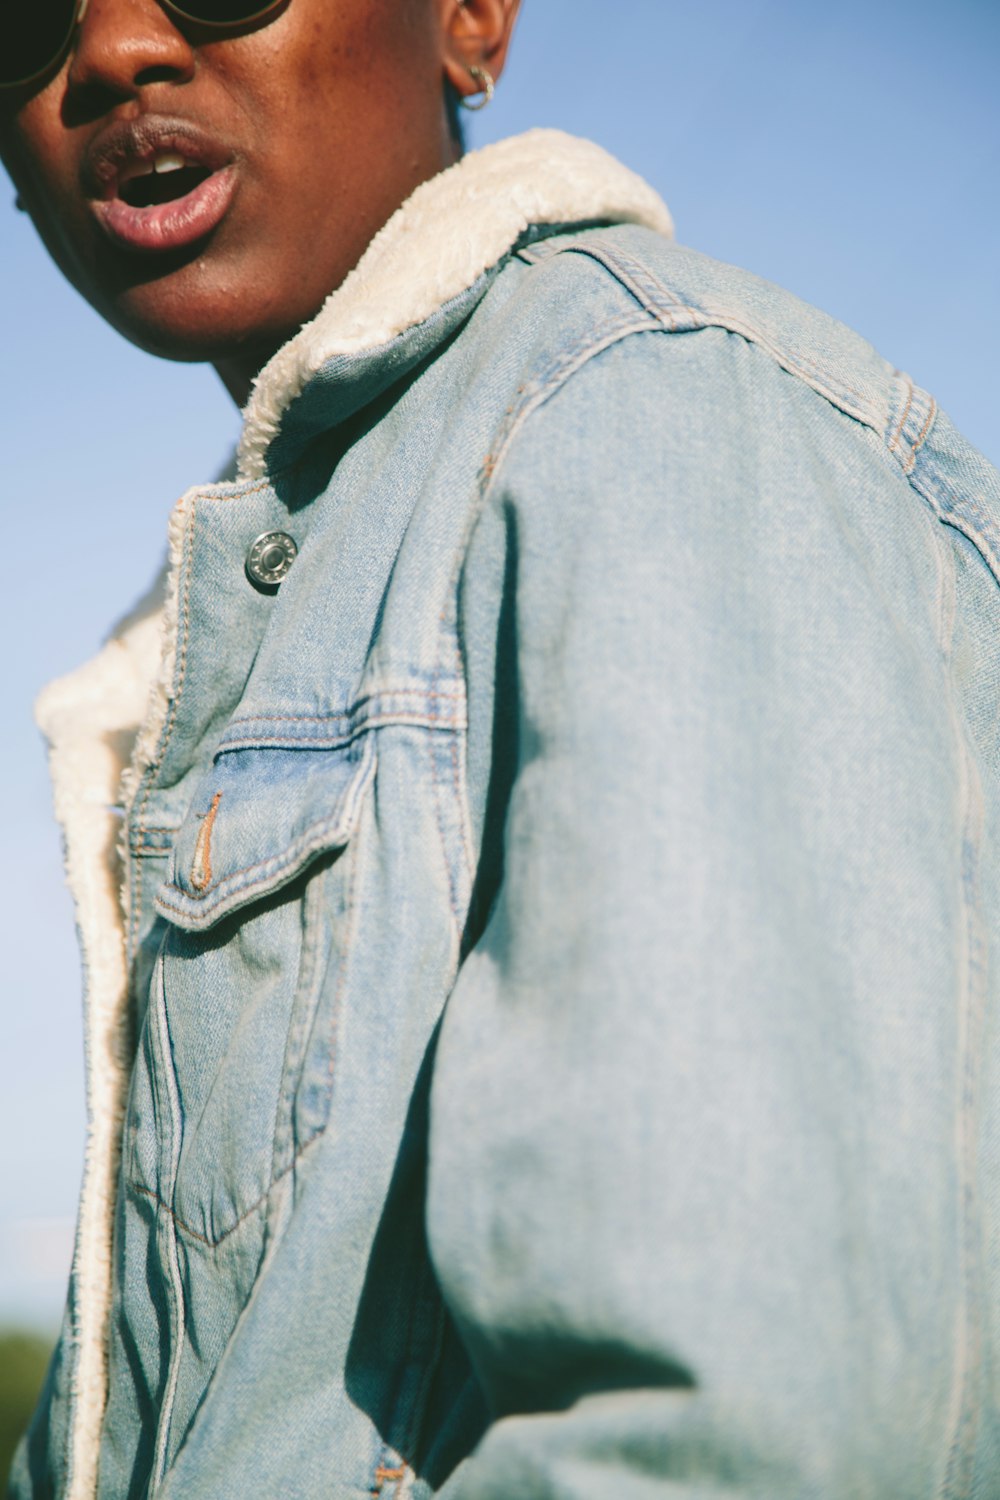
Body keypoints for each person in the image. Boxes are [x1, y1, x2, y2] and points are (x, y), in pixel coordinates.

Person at [4, 0, 1000, 1496]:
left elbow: (737, 1439)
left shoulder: (651, 411)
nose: (118, 51)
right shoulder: (250, 596)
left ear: (469, 19)